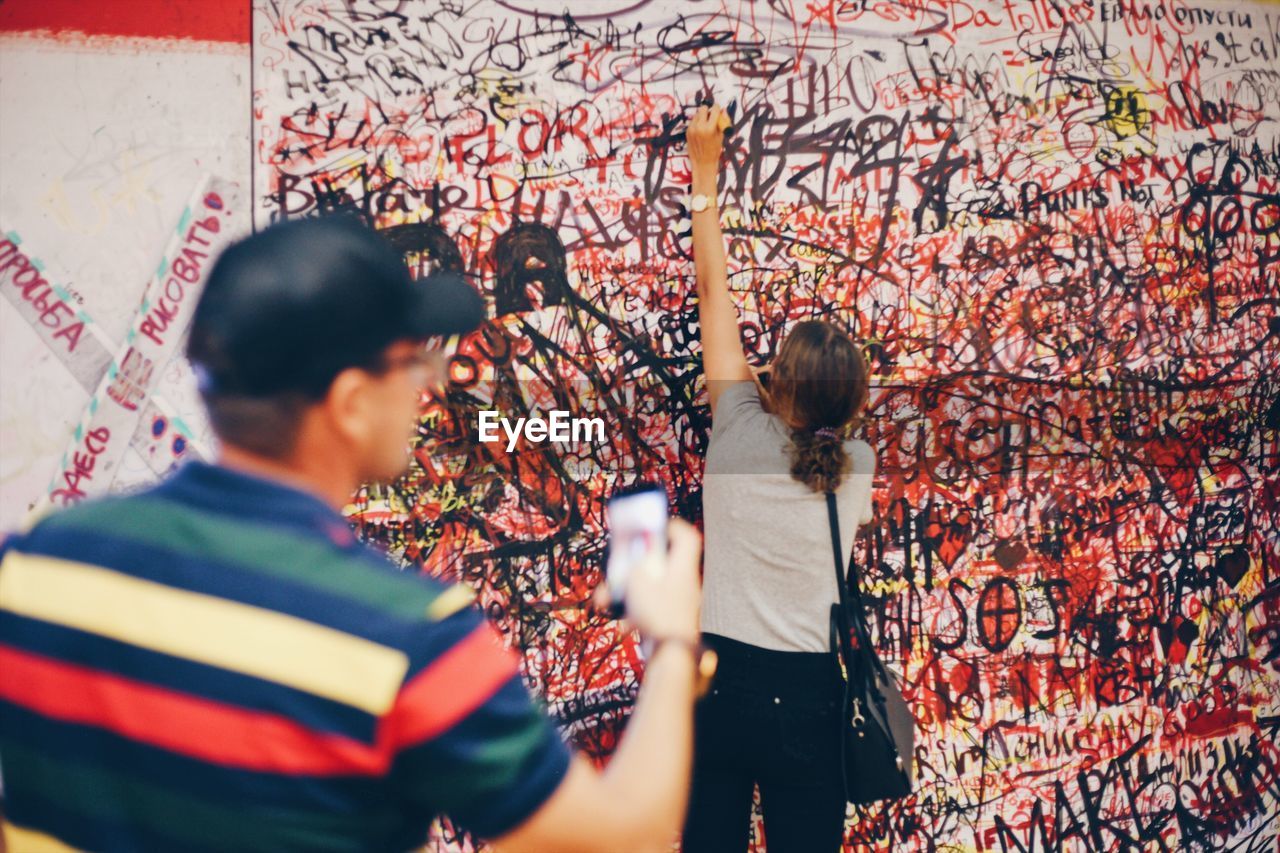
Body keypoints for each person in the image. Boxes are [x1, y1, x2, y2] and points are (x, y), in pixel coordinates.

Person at [0, 216, 704, 853]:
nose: (430, 383)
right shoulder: (408, 640)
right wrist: (672, 642)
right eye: (407, 362)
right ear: (350, 402)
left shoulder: (38, 565)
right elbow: (623, 836)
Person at [678, 106, 877, 852]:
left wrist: (704, 170)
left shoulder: (736, 429)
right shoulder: (857, 464)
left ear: (777, 383)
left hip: (720, 688)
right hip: (808, 699)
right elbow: (828, 424)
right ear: (854, 401)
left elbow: (711, 295)